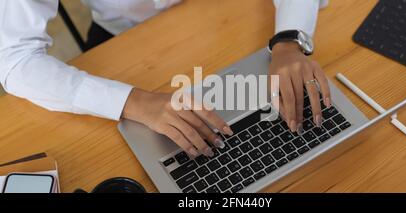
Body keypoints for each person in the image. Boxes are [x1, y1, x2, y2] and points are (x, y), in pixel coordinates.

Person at [0, 0, 330, 158]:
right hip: (126, 39)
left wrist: (289, 38)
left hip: (232, 16)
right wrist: (131, 101)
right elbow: (14, 58)